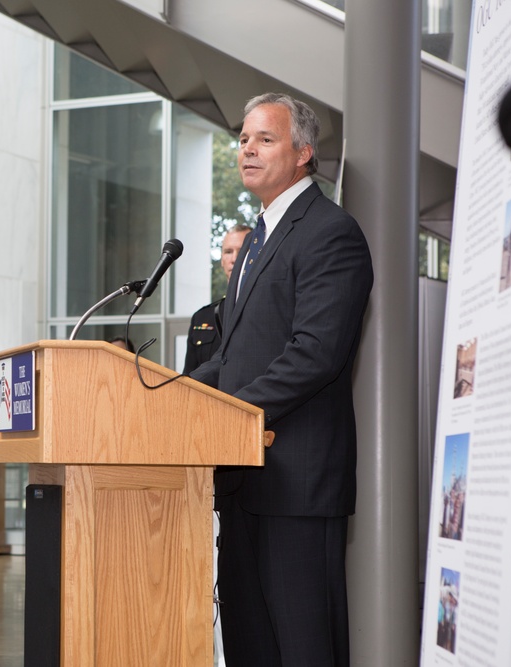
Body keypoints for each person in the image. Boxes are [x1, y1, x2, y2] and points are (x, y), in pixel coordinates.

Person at [188, 92, 373, 667]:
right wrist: (179, 397)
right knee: (250, 647)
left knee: (302, 649)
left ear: (303, 154)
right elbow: (237, 354)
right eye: (243, 139)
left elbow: (314, 353)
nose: (247, 149)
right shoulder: (255, 244)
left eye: (264, 139)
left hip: (297, 484)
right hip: (242, 482)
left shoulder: (330, 233)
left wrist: (226, 414)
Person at [182, 224, 252, 374]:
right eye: (228, 252)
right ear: (221, 260)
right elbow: (189, 375)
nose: (234, 259)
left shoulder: (267, 309)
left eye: (242, 251)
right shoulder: (202, 317)